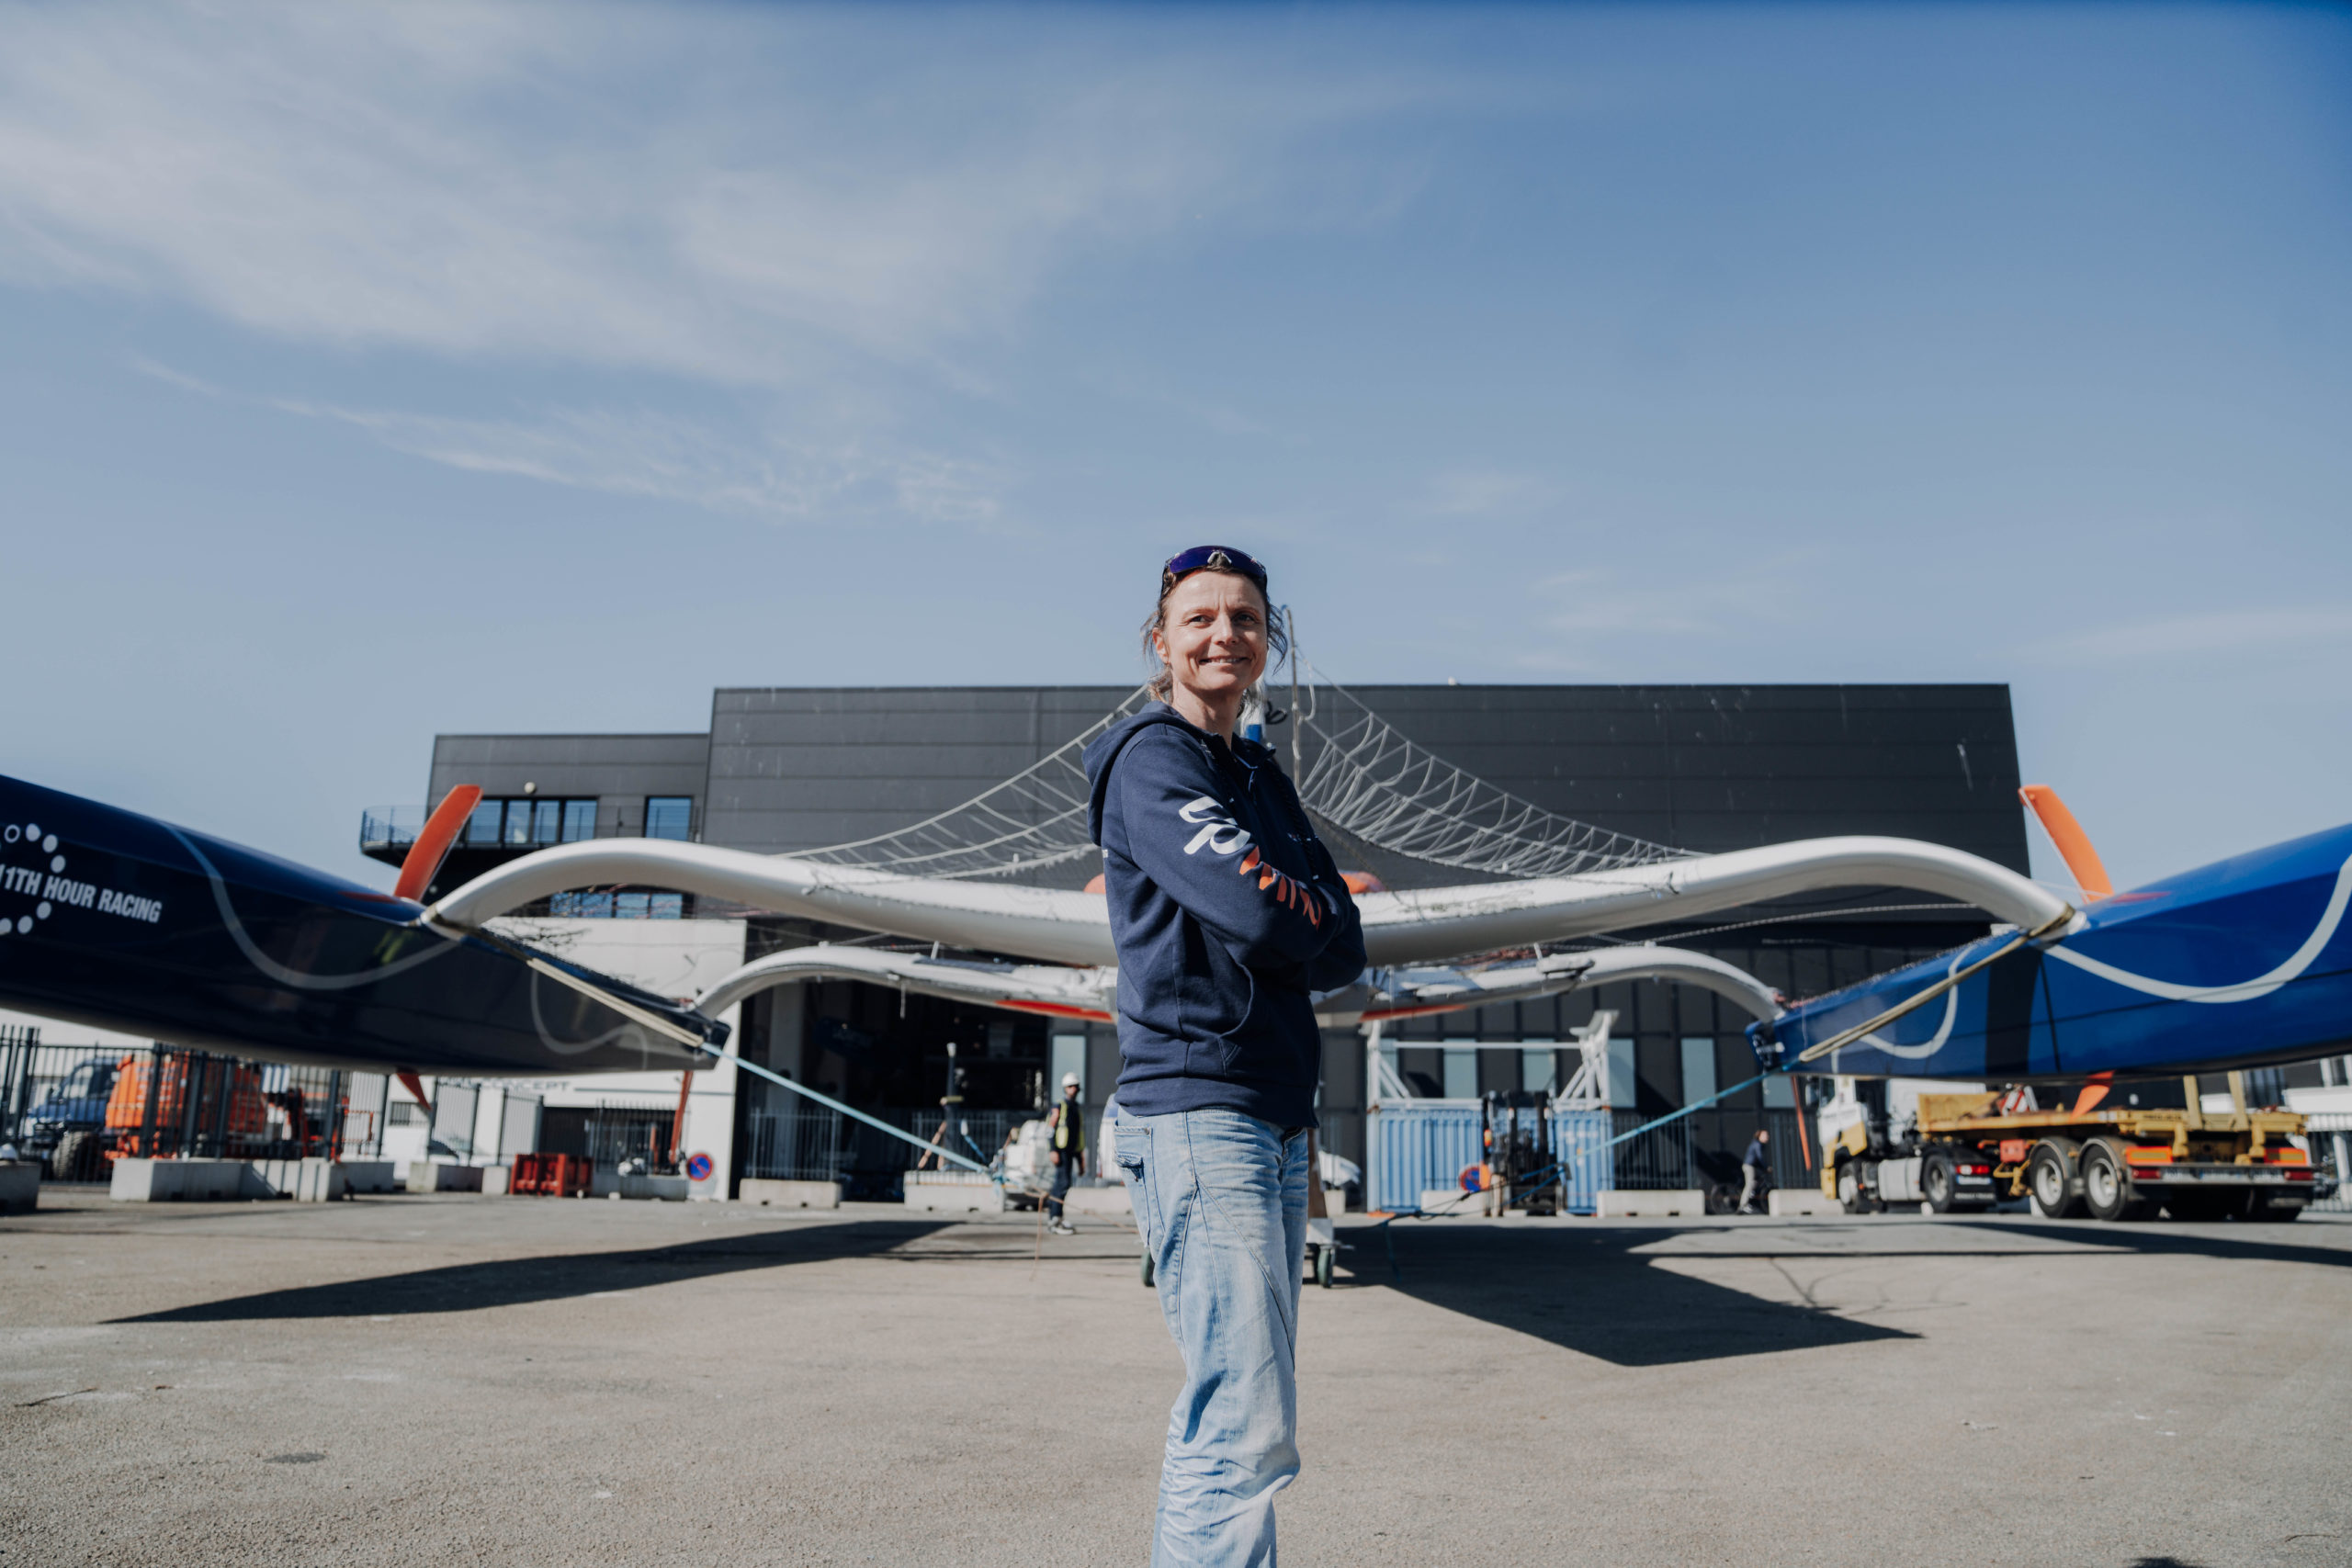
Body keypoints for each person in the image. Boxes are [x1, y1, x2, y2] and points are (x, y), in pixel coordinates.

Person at [1086, 545, 1366, 1567]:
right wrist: (1299, 916)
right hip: (1200, 1109)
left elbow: (1344, 942)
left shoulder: (1258, 775)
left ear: (1267, 642)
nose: (1223, 635)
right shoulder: (1151, 760)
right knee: (1242, 1416)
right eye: (1199, 618)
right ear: (1160, 643)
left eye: (1244, 618)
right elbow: (1263, 910)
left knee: (1244, 1413)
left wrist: (1298, 916)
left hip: (1274, 1111)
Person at [1045, 1070, 1085, 1235]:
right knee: (1061, 1184)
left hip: (1070, 1151)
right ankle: (1054, 1219)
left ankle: (1058, 1217)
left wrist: (1080, 1161)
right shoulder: (1059, 1106)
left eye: (1075, 1086)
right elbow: (1050, 1129)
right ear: (1065, 1088)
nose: (1073, 1089)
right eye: (1070, 1086)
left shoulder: (1076, 1108)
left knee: (1065, 1184)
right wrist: (1052, 1150)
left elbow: (1077, 1135)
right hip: (1060, 1151)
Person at [1740, 1126, 1772, 1213]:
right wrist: (1766, 1167)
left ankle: (1751, 1192)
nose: (1767, 1137)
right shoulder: (1757, 1144)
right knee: (1749, 1184)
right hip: (1749, 1166)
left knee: (1755, 1182)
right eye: (1765, 1135)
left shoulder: (1757, 1144)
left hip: (1752, 1166)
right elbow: (1759, 1157)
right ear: (1759, 1136)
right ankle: (1743, 1205)